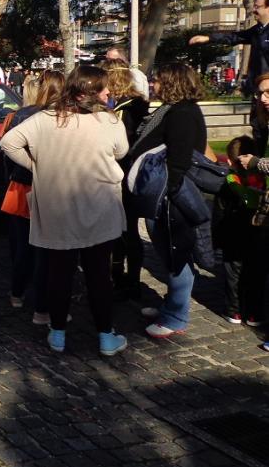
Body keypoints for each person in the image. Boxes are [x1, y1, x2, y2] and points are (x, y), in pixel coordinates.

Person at [1, 65, 128, 357]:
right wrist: (37, 166)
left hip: (59, 207)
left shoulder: (46, 119)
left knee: (60, 272)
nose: (109, 92)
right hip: (98, 205)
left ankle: (58, 333)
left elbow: (9, 142)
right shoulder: (108, 121)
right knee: (98, 274)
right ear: (87, 91)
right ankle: (105, 336)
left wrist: (39, 166)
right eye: (103, 87)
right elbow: (121, 151)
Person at [129, 63, 209, 339]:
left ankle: (176, 316)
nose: (153, 84)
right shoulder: (173, 110)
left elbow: (180, 159)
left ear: (173, 82)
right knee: (168, 252)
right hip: (161, 194)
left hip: (168, 196)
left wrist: (167, 192)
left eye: (159, 81)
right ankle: (170, 306)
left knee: (177, 255)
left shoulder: (183, 113)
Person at [0, 69, 65, 324]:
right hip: (40, 186)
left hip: (19, 185)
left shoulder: (18, 116)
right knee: (42, 250)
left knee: (20, 248)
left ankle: (17, 293)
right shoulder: (54, 117)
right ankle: (41, 305)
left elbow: (5, 153)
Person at [191, 0, 269, 148]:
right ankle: (256, 167)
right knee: (258, 128)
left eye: (258, 7)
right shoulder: (256, 31)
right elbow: (234, 37)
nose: (254, 10)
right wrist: (208, 38)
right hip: (259, 91)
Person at [105, 64, 151, 300]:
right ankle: (124, 277)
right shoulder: (138, 105)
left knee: (125, 231)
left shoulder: (125, 110)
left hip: (123, 174)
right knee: (126, 230)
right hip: (131, 174)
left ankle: (127, 279)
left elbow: (119, 146)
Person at [214, 134, 268, 326]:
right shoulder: (263, 180)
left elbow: (219, 212)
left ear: (229, 160)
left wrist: (216, 239)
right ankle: (255, 313)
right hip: (258, 230)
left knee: (233, 271)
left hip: (233, 232)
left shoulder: (229, 182)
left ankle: (234, 311)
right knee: (256, 271)